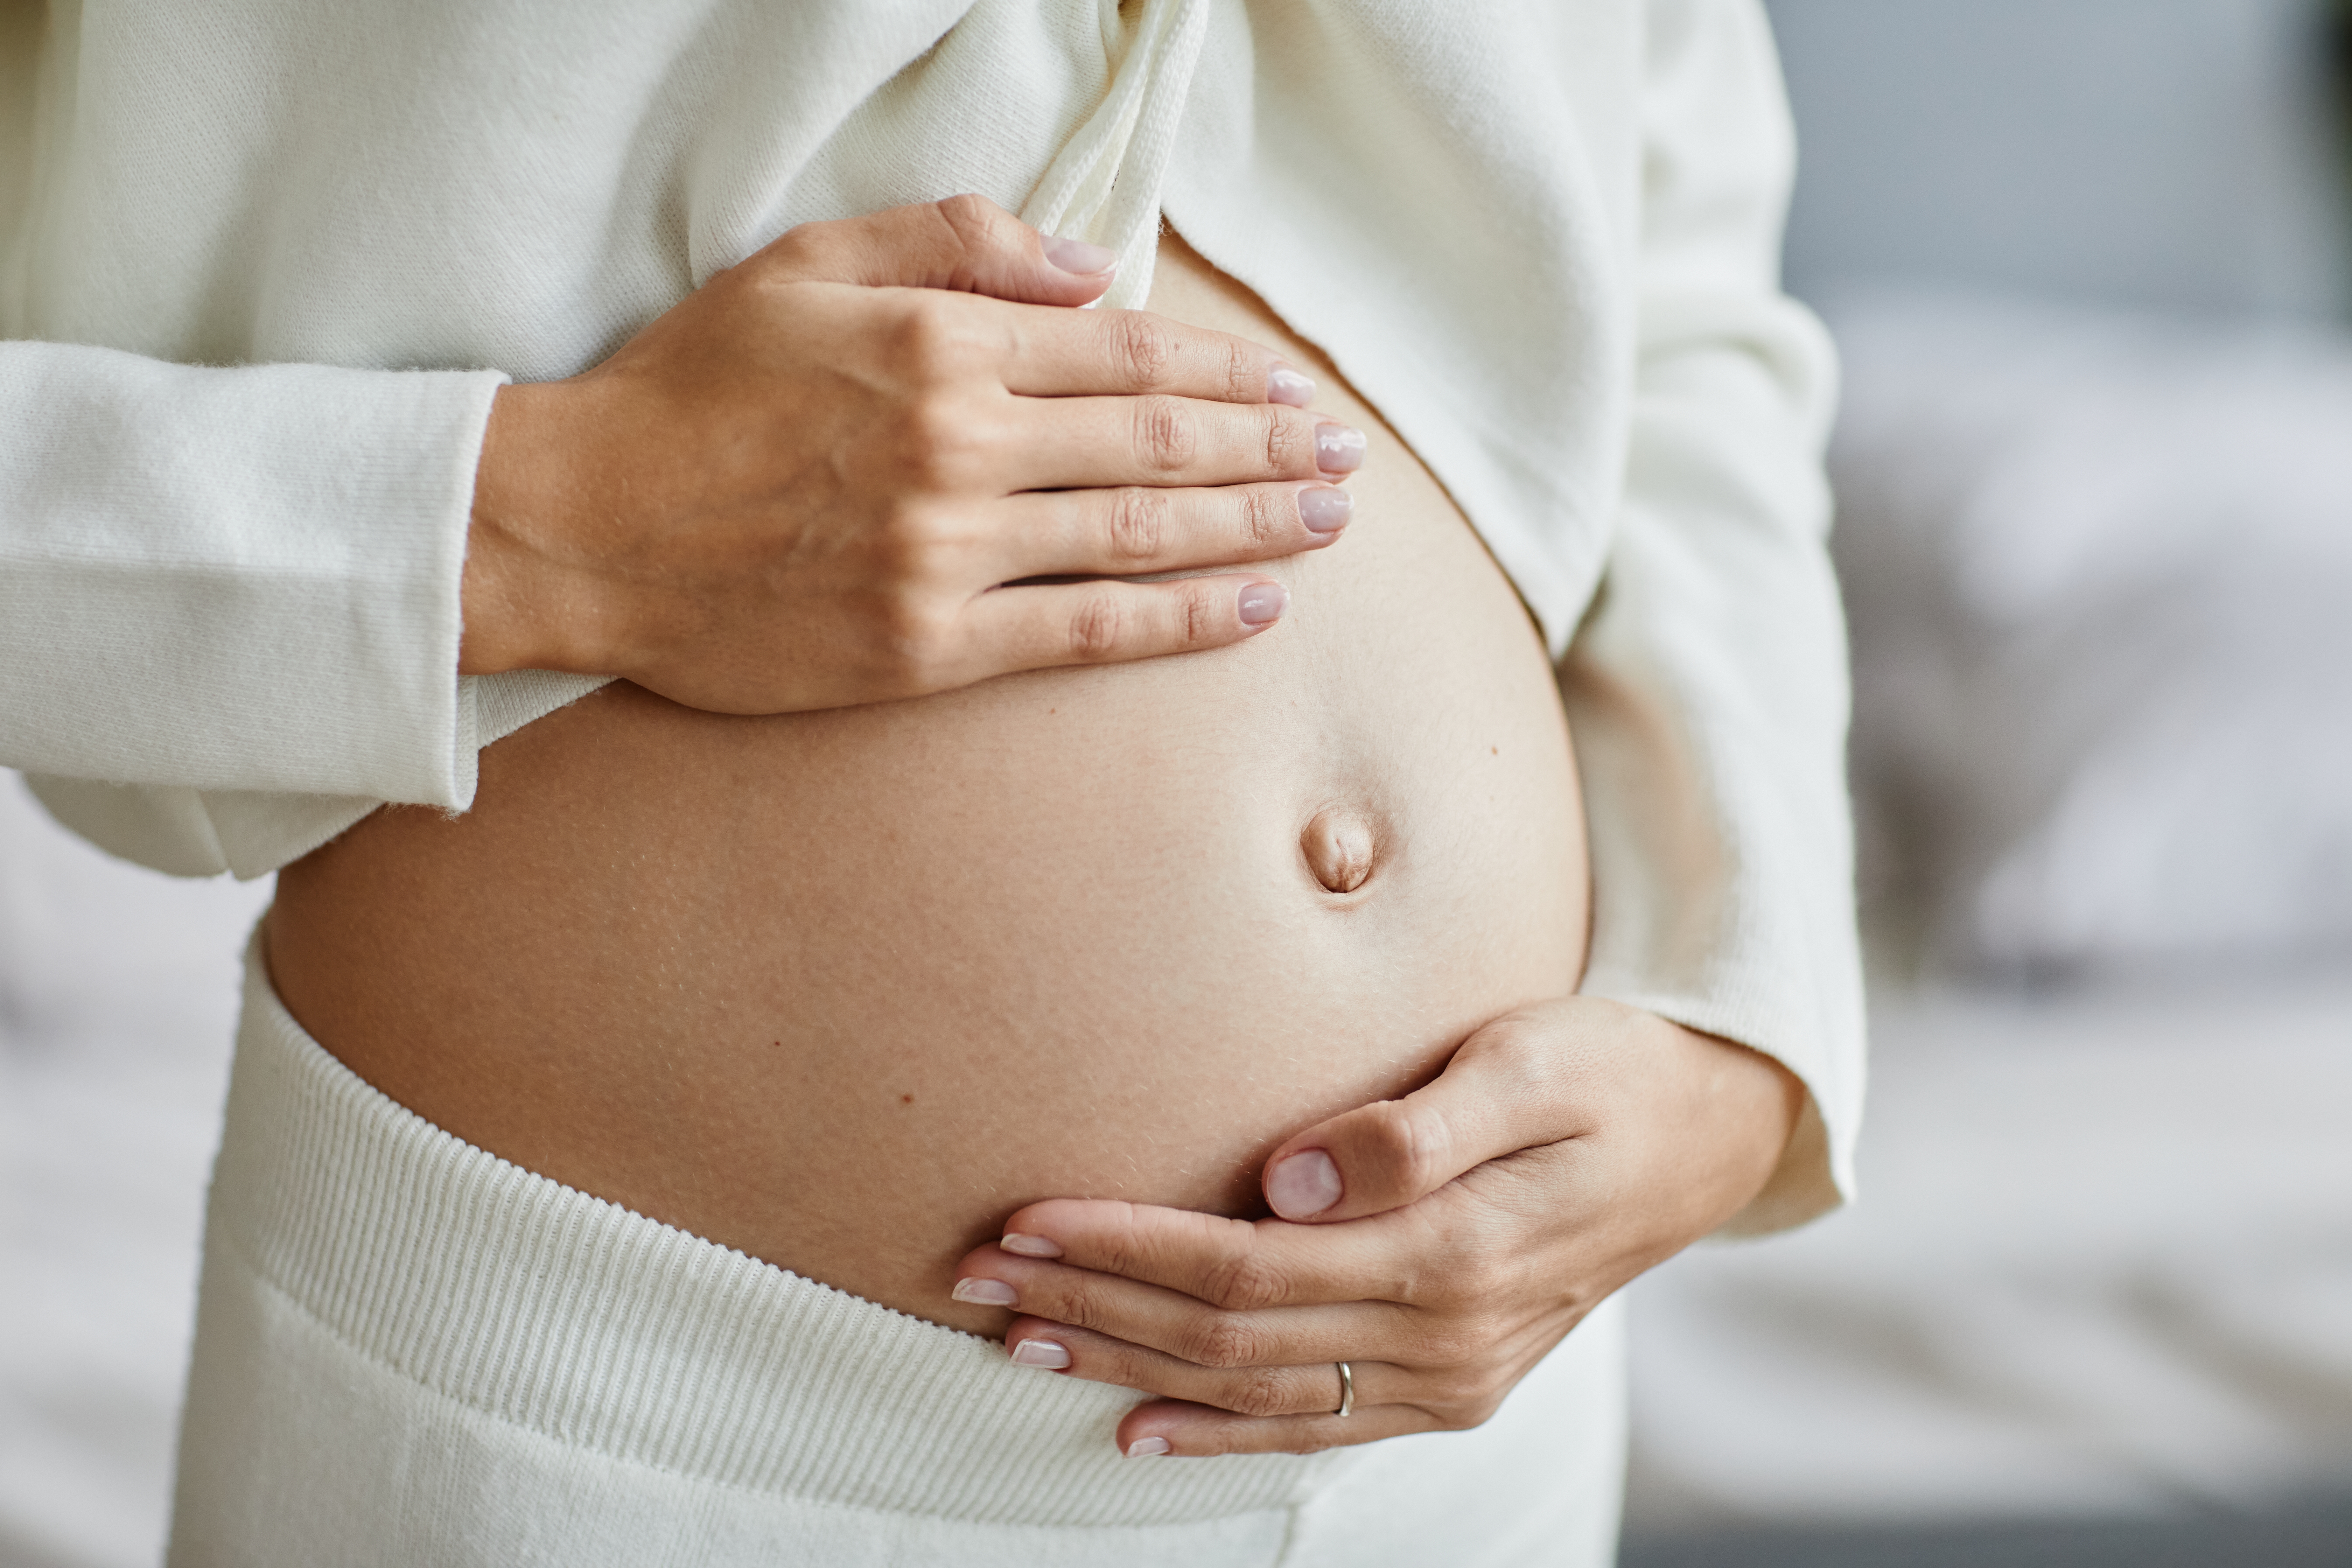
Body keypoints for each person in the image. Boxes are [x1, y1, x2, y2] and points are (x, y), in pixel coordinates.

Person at [0, 1, 1862, 1563]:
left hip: (1463, 1454)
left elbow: (1681, 301)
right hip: (615, 1415)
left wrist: (1743, 1033)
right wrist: (526, 534)